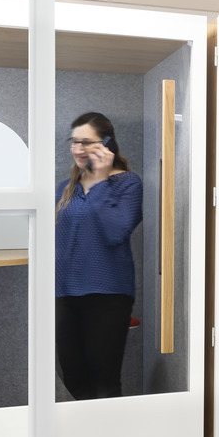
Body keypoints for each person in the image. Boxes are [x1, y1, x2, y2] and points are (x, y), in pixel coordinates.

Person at [55, 112, 142, 400]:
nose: (78, 149)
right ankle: (90, 435)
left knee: (104, 379)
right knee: (73, 374)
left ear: (107, 144)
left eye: (86, 142)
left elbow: (115, 232)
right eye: (74, 142)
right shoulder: (66, 188)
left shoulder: (128, 184)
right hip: (64, 292)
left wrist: (102, 179)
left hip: (108, 292)